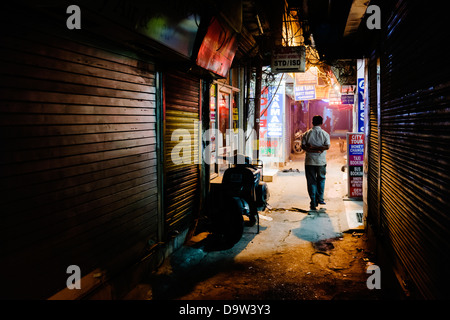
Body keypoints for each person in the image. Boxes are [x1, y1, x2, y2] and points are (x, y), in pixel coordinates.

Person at [301, 115, 331, 211]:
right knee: (321, 179)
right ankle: (320, 199)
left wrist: (311, 149)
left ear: (312, 122)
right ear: (321, 123)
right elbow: (327, 146)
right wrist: (319, 149)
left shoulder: (306, 134)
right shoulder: (325, 134)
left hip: (309, 162)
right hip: (321, 161)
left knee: (311, 182)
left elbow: (303, 146)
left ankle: (313, 202)